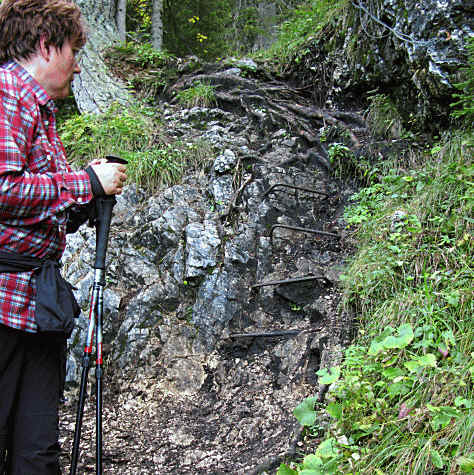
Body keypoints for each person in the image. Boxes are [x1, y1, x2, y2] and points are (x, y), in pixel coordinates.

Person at [0, 0, 127, 473]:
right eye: (73, 49)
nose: (77, 63)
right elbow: (3, 188)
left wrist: (80, 204)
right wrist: (85, 184)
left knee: (37, 449)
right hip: (4, 301)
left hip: (35, 302)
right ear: (44, 44)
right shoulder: (7, 94)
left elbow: (39, 204)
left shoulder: (39, 108)